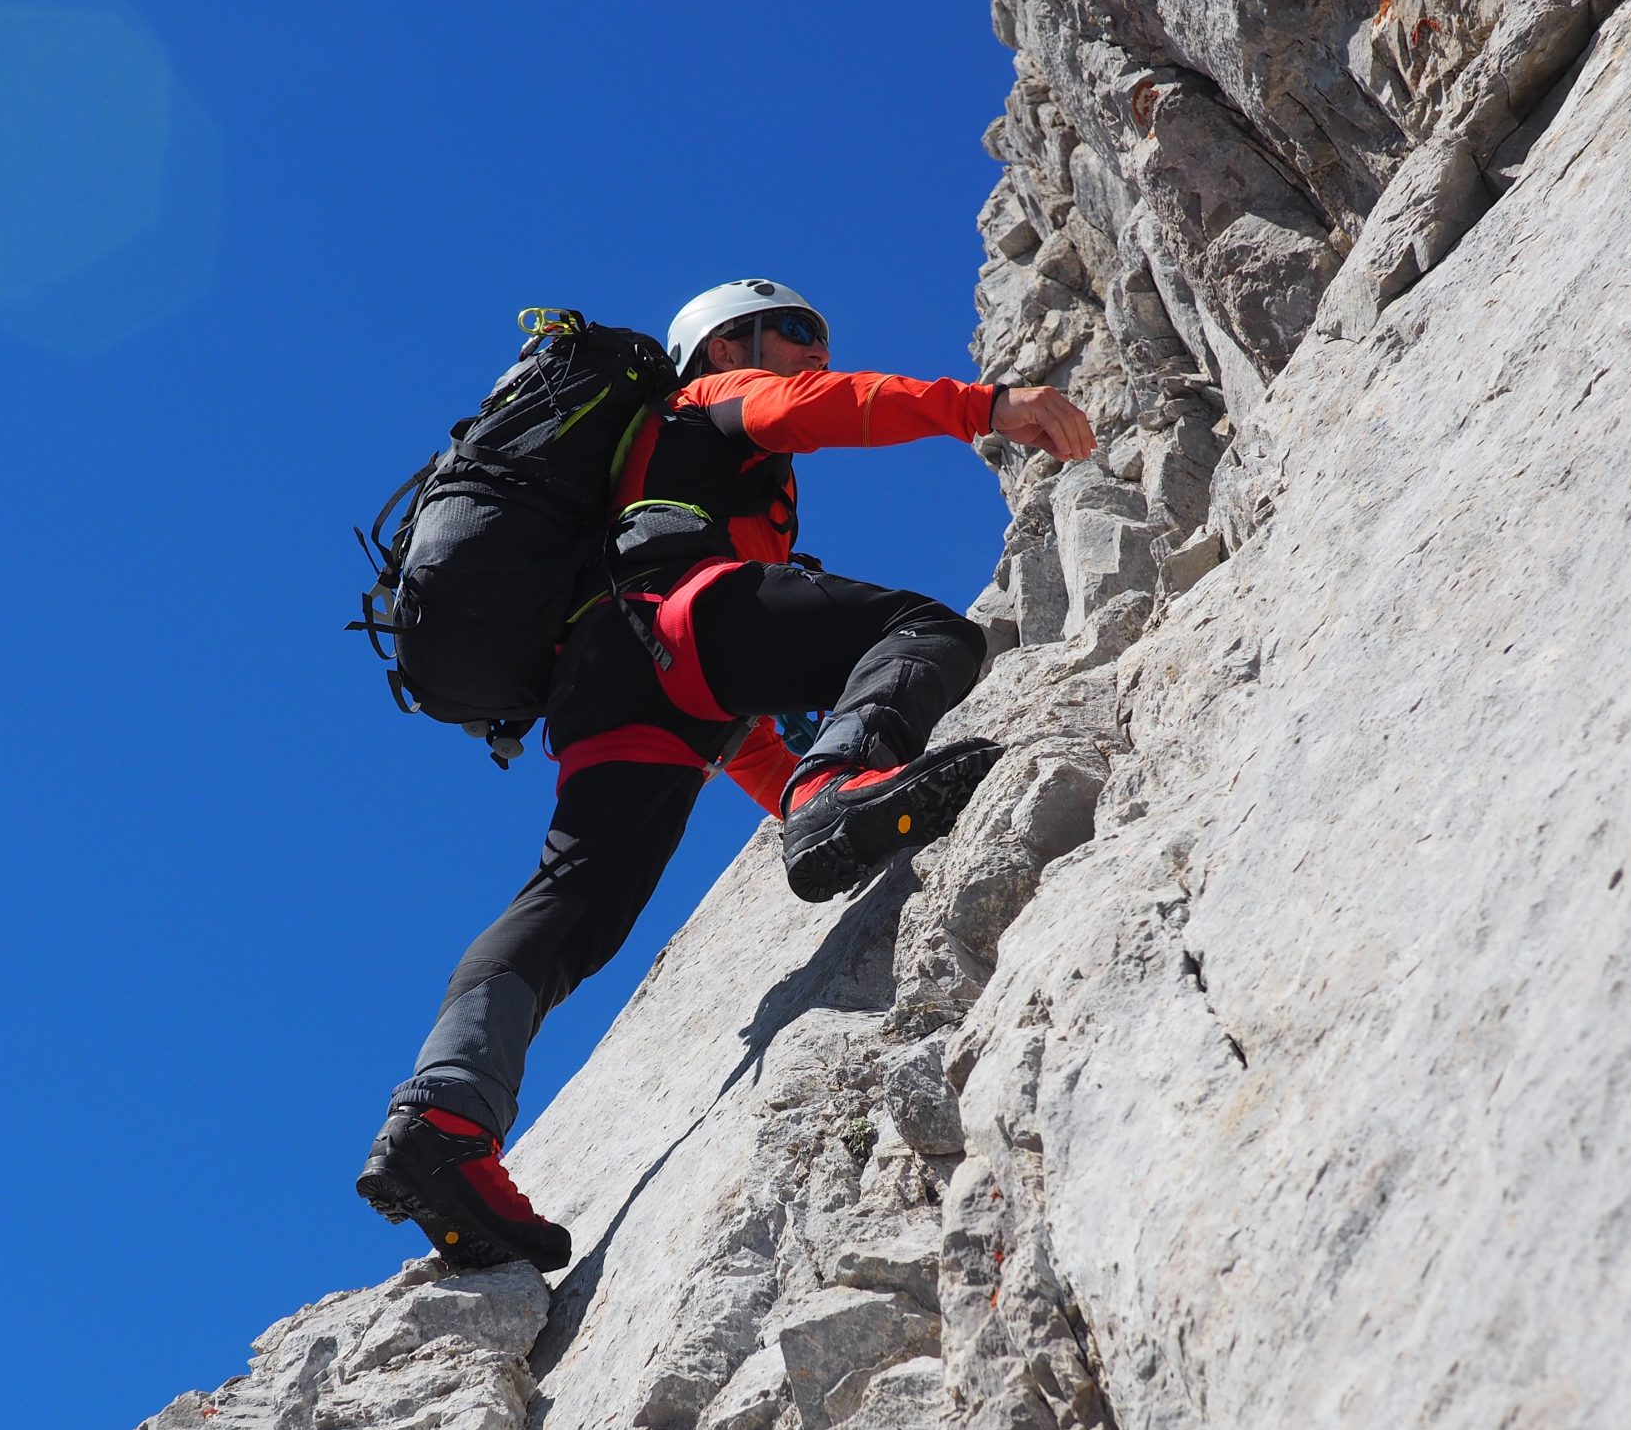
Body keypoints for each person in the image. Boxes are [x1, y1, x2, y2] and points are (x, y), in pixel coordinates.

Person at [354, 279, 1097, 1272]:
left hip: (609, 686)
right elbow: (817, 410)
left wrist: (801, 795)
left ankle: (442, 1121)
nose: (810, 349)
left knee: (567, 909)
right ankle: (838, 779)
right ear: (721, 346)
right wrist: (981, 406)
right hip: (678, 616)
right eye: (790, 330)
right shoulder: (703, 404)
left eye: (813, 333)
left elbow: (723, 708)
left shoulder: (656, 474)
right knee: (924, 632)